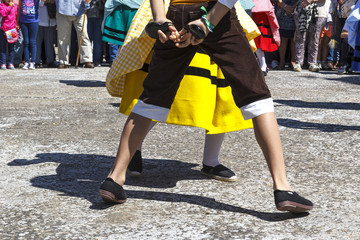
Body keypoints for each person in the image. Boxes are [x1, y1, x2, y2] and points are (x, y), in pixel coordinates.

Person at [99, 0, 314, 213]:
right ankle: (282, 187)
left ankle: (115, 178)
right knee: (258, 98)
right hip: (214, 13)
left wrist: (160, 18)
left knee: (151, 99)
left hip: (175, 14)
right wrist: (208, 21)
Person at [56, 0, 94, 68]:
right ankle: (63, 61)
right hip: (63, 9)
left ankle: (87, 60)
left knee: (84, 35)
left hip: (80, 9)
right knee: (62, 37)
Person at [293, 0, 329, 72]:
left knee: (314, 38)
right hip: (301, 9)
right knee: (300, 37)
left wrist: (310, 0)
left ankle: (312, 62)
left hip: (319, 11)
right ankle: (298, 62)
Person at [251, 0, 281, 76]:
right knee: (252, 40)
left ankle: (263, 64)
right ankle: (261, 64)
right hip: (248, 9)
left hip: (260, 11)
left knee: (257, 40)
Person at [271, 0, 297, 70]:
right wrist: (285, 7)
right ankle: (282, 61)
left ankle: (293, 61)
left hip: (296, 11)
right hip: (281, 11)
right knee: (283, 38)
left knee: (294, 39)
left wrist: (293, 7)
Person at [18, 0, 40, 70]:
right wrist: (17, 21)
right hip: (23, 21)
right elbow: (19, 7)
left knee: (32, 42)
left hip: (33, 21)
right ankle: (26, 61)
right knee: (26, 42)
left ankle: (33, 62)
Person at [35, 0, 57, 68]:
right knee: (37, 43)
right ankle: (36, 61)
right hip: (37, 20)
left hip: (50, 20)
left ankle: (50, 61)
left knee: (49, 43)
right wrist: (43, 2)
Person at [0, 0, 18, 70]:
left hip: (12, 29)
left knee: (11, 48)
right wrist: (9, 7)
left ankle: (11, 62)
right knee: (3, 48)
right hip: (4, 29)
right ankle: (3, 63)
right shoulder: (2, 6)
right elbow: (3, 14)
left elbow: (15, 16)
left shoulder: (15, 7)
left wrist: (16, 26)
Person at [87, 0, 105, 66]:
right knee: (87, 40)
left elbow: (103, 7)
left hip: (98, 18)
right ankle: (88, 60)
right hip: (87, 17)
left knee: (97, 40)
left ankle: (97, 60)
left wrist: (99, 2)